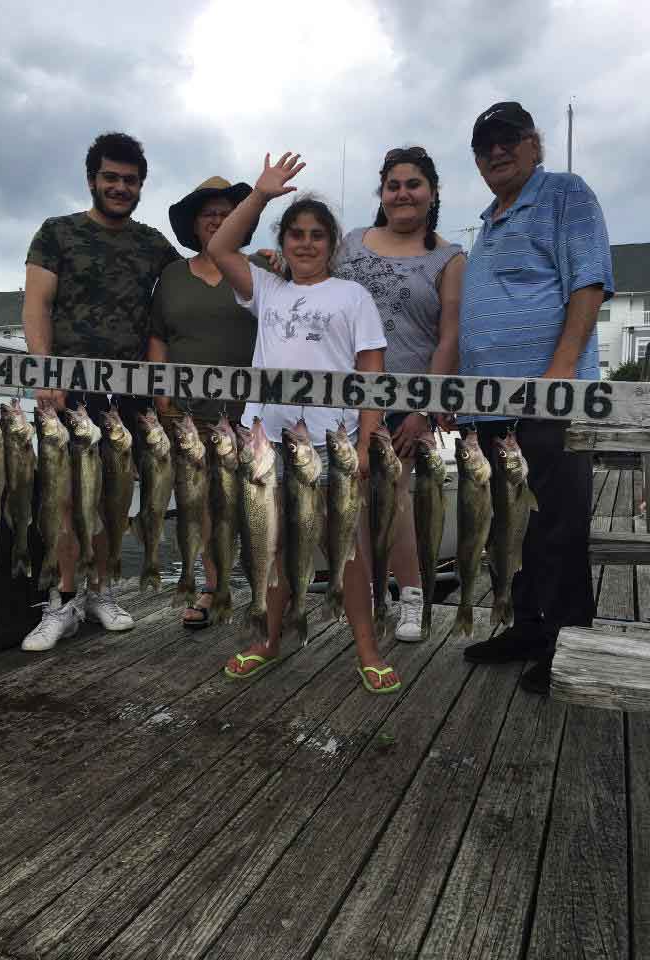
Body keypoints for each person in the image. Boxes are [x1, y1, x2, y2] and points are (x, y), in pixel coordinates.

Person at [208, 152, 400, 693]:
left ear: (332, 244)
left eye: (317, 235)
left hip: (331, 444)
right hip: (267, 445)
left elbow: (372, 372)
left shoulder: (353, 296)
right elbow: (220, 247)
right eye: (296, 234)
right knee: (271, 546)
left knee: (350, 549)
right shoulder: (266, 288)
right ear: (283, 241)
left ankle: (366, 648)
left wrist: (365, 442)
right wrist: (262, 194)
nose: (306, 243)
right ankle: (269, 638)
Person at [458, 101, 614, 694]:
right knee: (508, 525)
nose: (495, 152)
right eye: (484, 145)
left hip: (547, 400)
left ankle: (568, 643)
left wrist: (559, 372)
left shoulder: (564, 193)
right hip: (489, 407)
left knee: (556, 526)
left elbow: (589, 281)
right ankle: (526, 627)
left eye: (507, 139)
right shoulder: (490, 221)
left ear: (534, 144)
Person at [22, 131, 180, 651]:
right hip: (66, 393)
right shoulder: (56, 233)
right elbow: (37, 304)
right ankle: (62, 601)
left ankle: (101, 591)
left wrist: (265, 261)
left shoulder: (153, 244)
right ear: (92, 180)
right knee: (67, 499)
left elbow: (199, 279)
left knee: (113, 497)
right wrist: (45, 372)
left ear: (140, 187)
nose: (119, 187)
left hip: (127, 396)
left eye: (129, 181)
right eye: (110, 178)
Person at [335, 146, 465, 641]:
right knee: (354, 501)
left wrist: (424, 410)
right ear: (382, 193)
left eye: (413, 184)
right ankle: (369, 595)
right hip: (345, 397)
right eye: (393, 185)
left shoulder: (449, 257)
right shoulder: (350, 243)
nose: (403, 193)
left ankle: (411, 594)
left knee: (395, 497)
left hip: (405, 402)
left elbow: (449, 337)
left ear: (431, 192)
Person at [147, 176, 269, 629]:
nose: (217, 221)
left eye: (225, 213)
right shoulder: (173, 276)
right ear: (194, 225)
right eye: (208, 215)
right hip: (188, 413)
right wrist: (162, 396)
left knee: (254, 504)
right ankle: (212, 587)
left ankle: (265, 590)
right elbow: (158, 337)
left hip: (251, 412)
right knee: (202, 506)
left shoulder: (259, 267)